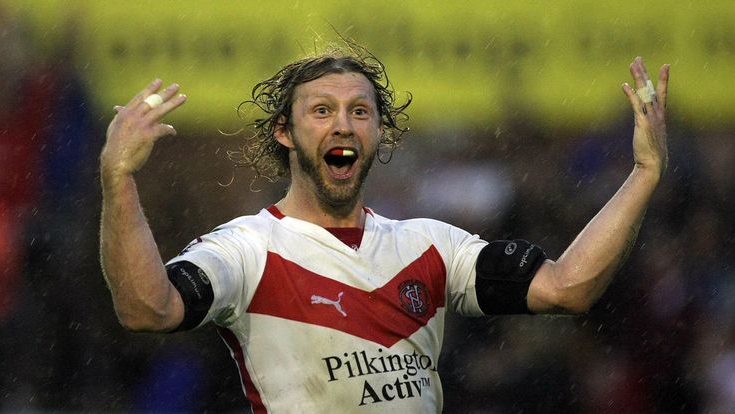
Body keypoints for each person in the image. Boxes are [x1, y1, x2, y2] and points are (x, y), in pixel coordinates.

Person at [99, 44, 669, 412]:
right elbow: (148, 310)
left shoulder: (431, 245)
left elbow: (567, 287)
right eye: (321, 110)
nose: (342, 123)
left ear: (379, 135)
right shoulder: (246, 250)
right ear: (284, 133)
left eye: (360, 111)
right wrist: (118, 179)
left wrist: (644, 174)